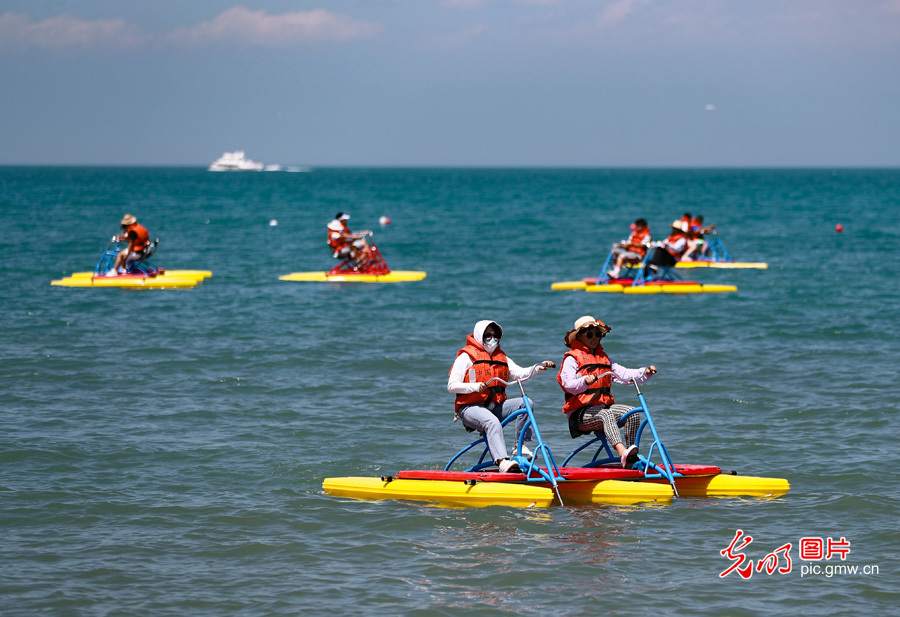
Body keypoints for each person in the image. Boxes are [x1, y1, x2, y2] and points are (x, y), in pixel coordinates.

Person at [448, 320, 555, 473]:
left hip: (495, 407)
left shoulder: (501, 357)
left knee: (526, 404)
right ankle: (502, 461)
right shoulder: (466, 357)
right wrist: (475, 386)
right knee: (491, 422)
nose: (493, 339)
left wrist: (538, 367)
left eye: (496, 335)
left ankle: (520, 446)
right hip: (469, 409)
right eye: (488, 335)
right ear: (479, 335)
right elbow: (451, 386)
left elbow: (519, 373)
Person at [557, 316, 656, 468]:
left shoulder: (604, 358)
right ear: (580, 336)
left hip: (602, 408)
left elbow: (623, 374)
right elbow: (567, 383)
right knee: (606, 415)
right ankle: (622, 452)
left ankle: (631, 457)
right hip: (580, 415)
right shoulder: (572, 358)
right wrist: (584, 381)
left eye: (597, 334)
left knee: (633, 413)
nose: (594, 338)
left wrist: (645, 371)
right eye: (589, 334)